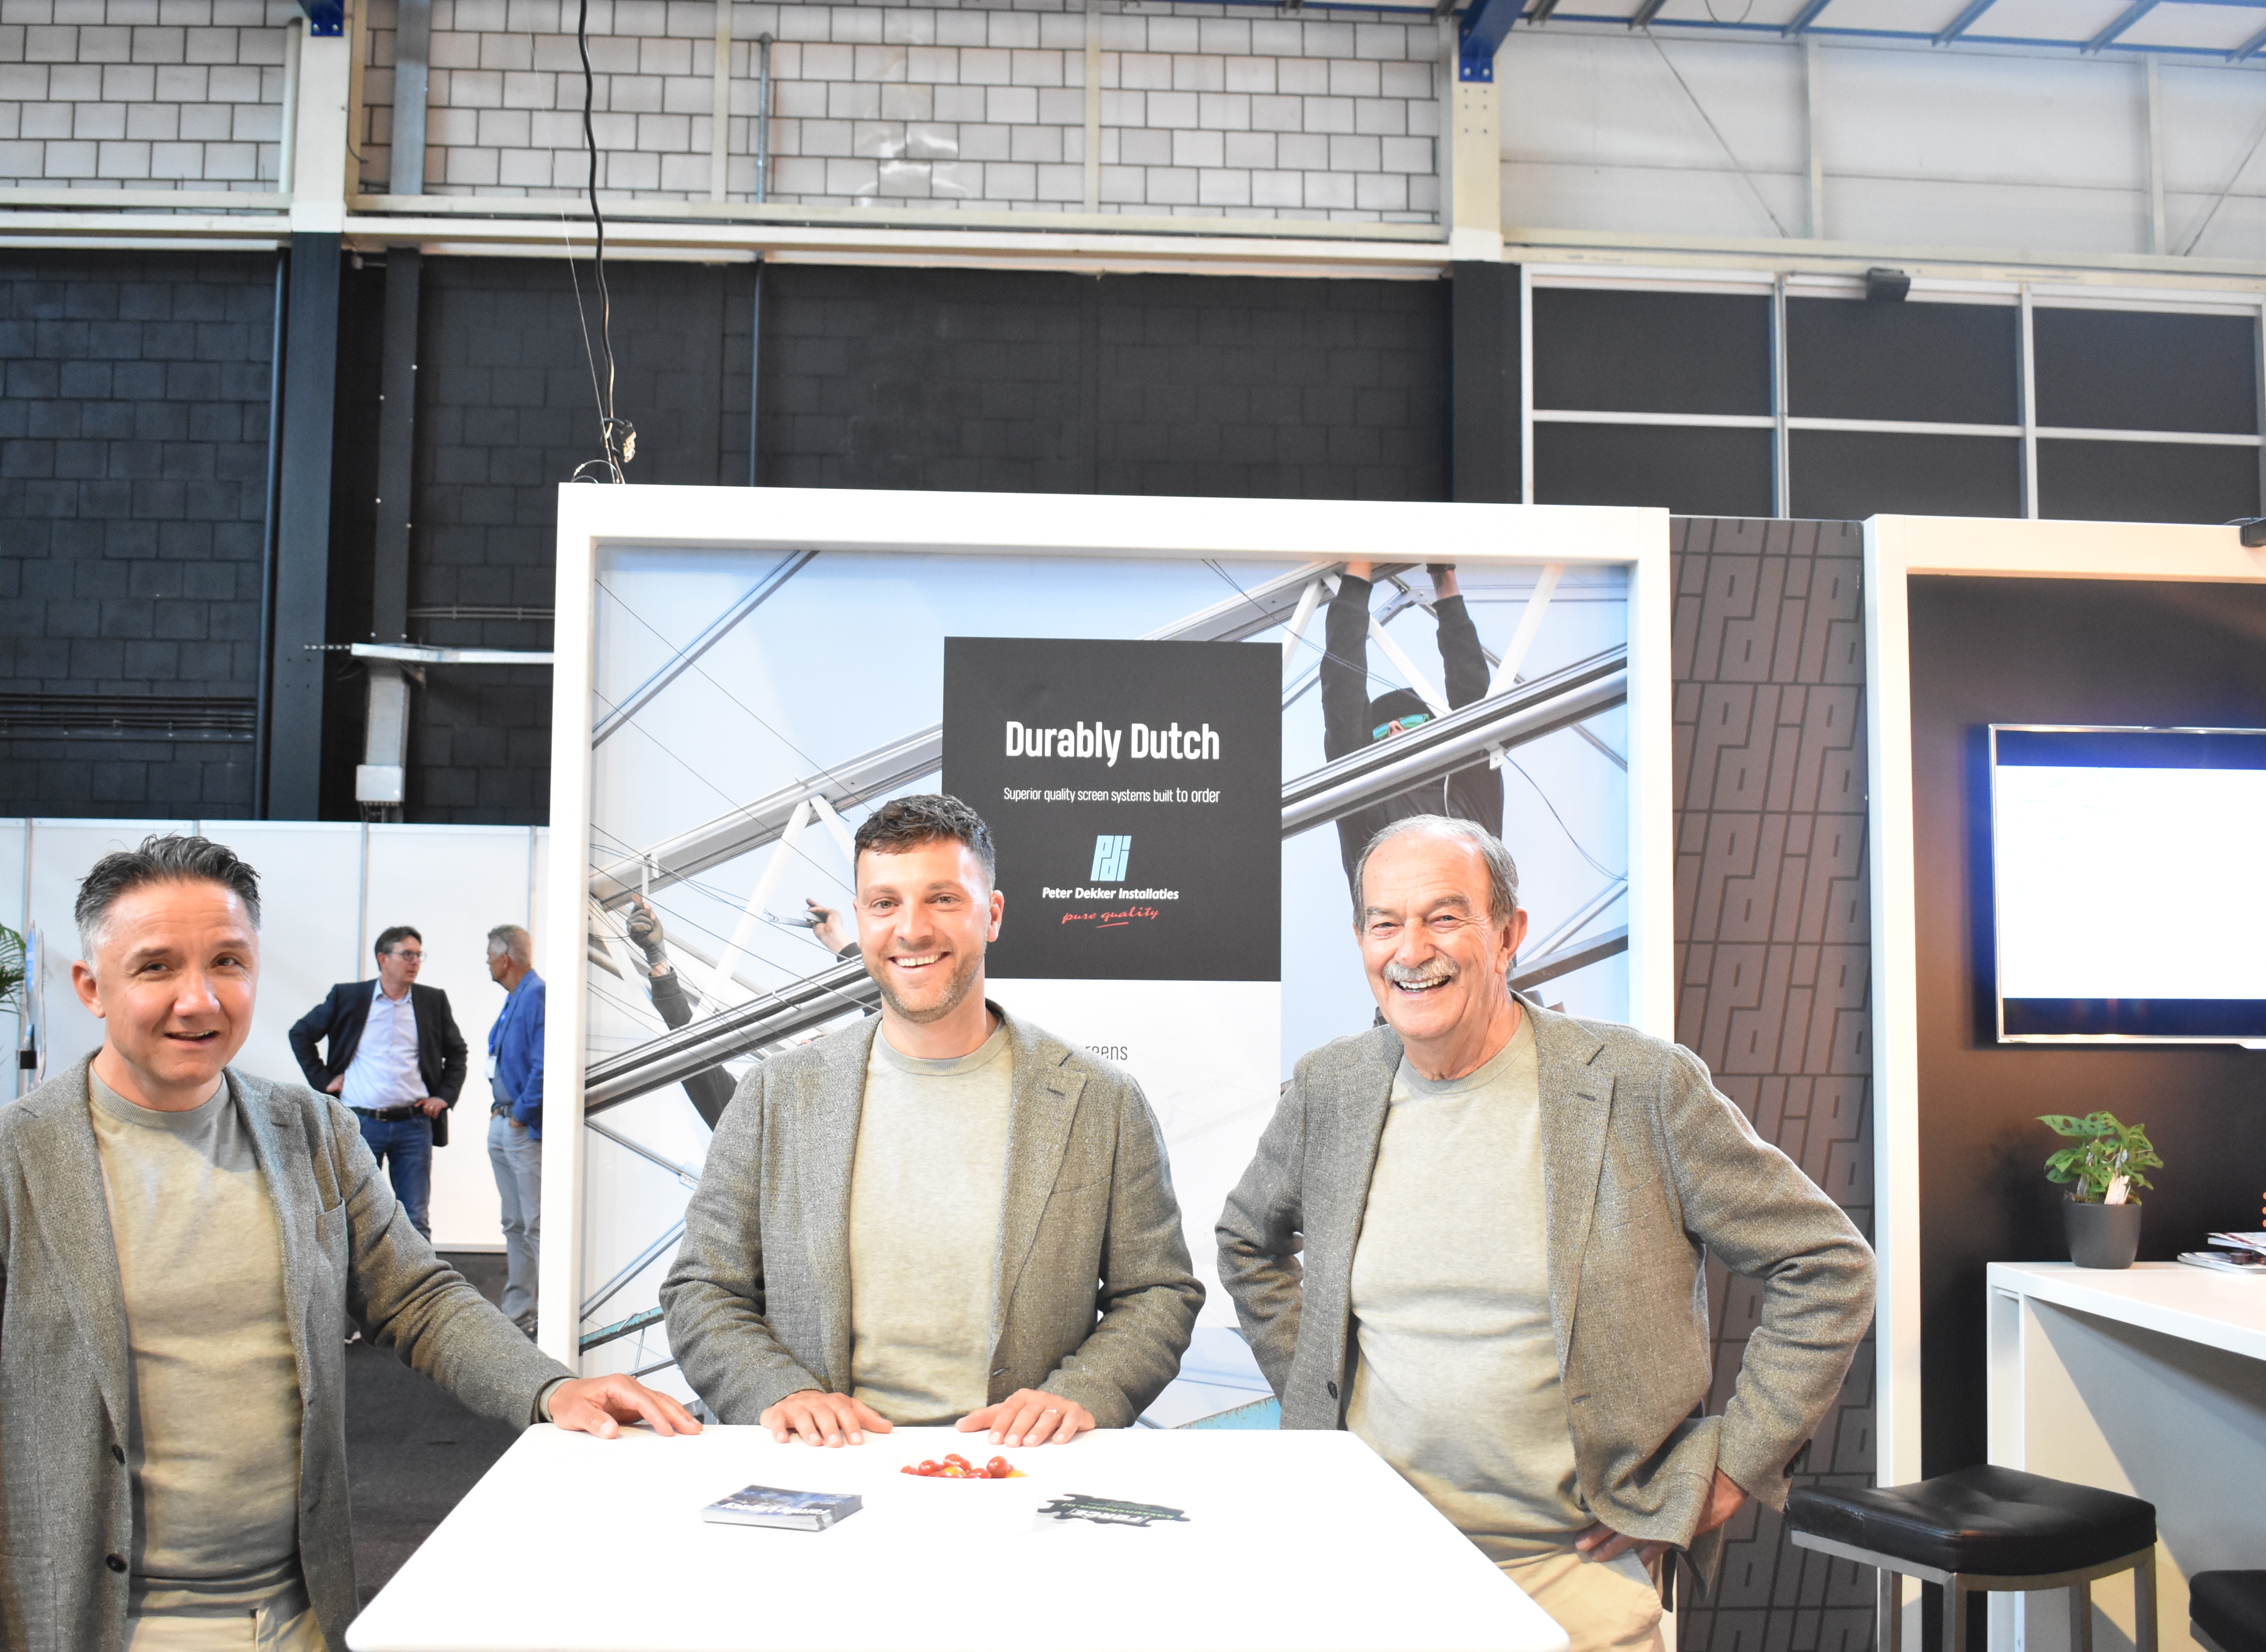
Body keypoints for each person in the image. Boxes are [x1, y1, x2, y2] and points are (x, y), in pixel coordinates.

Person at [0, 835, 697, 1652]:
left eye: (227, 963)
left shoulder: (309, 1133)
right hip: (99, 1629)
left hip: (299, 1619)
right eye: (157, 968)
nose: (199, 1000)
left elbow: (418, 1298)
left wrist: (550, 1389)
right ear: (92, 986)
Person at [1218, 816, 1874, 1652]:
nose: (1411, 950)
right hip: (1370, 1563)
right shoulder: (1331, 1086)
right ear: (1361, 942)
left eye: (1444, 917)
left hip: (1573, 1574)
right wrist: (1320, 1389)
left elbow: (1827, 1266)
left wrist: (1733, 1467)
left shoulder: (1641, 1085)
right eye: (1385, 923)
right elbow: (1248, 1242)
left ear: (1507, 934)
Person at [661, 794, 1203, 1448]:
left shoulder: (1101, 1100)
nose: (911, 930)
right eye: (884, 903)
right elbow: (704, 1287)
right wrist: (781, 1392)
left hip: (1018, 1467)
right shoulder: (775, 1095)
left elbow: (1156, 1291)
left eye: (942, 899)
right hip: (822, 1467)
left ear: (992, 915)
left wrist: (1083, 1392)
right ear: (860, 918)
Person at [1322, 561, 1506, 881]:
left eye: (1411, 721)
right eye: (1381, 729)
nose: (1395, 727)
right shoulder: (1366, 806)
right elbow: (1342, 698)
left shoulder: (1467, 790)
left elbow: (1471, 693)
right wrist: (1358, 571)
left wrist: (1445, 580)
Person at [618, 894, 859, 1129]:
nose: (805, 1042)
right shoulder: (757, 1125)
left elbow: (880, 1010)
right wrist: (657, 958)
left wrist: (843, 945)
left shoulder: (859, 1124)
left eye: (817, 1045)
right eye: (809, 1042)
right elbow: (696, 1062)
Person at [286, 925, 466, 1239]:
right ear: (383, 959)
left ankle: (418, 1274)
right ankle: (359, 1275)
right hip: (361, 1123)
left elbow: (457, 1053)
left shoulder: (431, 1001)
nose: (415, 962)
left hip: (414, 1125)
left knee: (415, 1216)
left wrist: (444, 1096)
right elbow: (300, 1034)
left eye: (418, 955)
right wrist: (324, 1080)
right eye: (407, 954)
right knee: (357, 1214)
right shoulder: (349, 997)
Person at [485, 923, 546, 1335]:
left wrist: (521, 1113)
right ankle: (518, 1314)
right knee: (514, 1223)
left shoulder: (537, 995)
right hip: (504, 1120)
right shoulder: (516, 998)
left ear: (505, 959)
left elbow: (544, 1063)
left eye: (490, 957)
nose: (487, 963)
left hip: (521, 1126)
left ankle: (545, 1314)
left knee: (534, 1223)